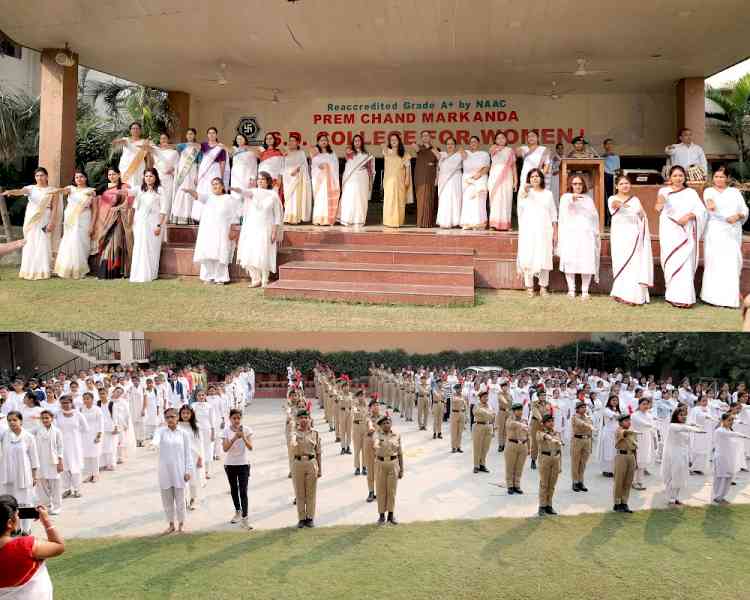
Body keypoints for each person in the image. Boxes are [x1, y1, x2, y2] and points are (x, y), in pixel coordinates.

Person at [656, 165, 707, 307]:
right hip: (670, 231)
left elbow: (701, 210)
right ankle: (671, 295)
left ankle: (685, 298)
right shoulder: (664, 191)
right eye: (675, 175)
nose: (678, 178)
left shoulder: (691, 192)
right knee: (671, 262)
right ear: (670, 177)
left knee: (684, 264)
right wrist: (659, 204)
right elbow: (659, 203)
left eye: (680, 175)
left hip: (686, 231)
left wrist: (689, 216)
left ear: (684, 177)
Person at [1, 167, 61, 280]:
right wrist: (11, 192)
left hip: (45, 217)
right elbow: (20, 191)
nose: (39, 178)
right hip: (31, 219)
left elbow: (55, 208)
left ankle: (42, 270)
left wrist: (52, 222)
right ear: (35, 177)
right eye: (37, 176)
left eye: (42, 175)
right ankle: (28, 270)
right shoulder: (31, 188)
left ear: (47, 176)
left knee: (43, 241)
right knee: (30, 242)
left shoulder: (53, 190)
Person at [701, 166, 748, 308]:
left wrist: (737, 216)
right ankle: (712, 298)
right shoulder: (709, 191)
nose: (718, 179)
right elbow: (709, 203)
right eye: (716, 176)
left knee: (732, 262)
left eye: (721, 177)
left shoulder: (735, 192)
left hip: (732, 231)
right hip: (716, 230)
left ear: (727, 178)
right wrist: (712, 206)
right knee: (715, 261)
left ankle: (729, 299)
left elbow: (744, 209)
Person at [0, 496, 65, 598]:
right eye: (17, 515)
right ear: (9, 523)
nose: (18, 518)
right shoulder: (25, 546)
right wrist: (46, 521)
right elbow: (59, 546)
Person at [608, 175, 653, 305]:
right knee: (621, 261)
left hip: (635, 235)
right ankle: (621, 293)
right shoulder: (612, 198)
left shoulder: (635, 199)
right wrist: (626, 206)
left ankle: (635, 295)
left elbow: (643, 215)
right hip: (619, 235)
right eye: (621, 184)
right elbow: (615, 205)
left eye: (627, 183)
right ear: (617, 186)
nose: (624, 186)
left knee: (635, 264)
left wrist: (641, 218)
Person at [186, 178, 241, 285]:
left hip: (222, 230)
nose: (215, 186)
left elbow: (234, 215)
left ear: (222, 186)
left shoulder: (229, 198)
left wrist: (233, 229)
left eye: (217, 184)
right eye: (213, 184)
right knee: (208, 253)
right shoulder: (209, 197)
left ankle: (220, 278)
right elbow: (197, 195)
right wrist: (189, 191)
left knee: (220, 253)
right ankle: (208, 276)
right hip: (208, 231)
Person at [237, 171, 283, 288]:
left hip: (266, 228)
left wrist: (274, 231)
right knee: (250, 252)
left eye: (263, 179)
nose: (260, 181)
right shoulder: (252, 192)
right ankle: (255, 279)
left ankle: (264, 279)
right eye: (259, 179)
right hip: (251, 227)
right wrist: (235, 189)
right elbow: (243, 192)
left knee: (263, 253)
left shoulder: (273, 195)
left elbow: (277, 216)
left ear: (268, 181)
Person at [557, 175, 600, 299]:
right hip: (570, 235)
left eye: (580, 184)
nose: (577, 186)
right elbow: (566, 205)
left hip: (586, 235)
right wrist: (573, 198)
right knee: (570, 261)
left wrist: (594, 231)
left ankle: (585, 291)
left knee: (586, 262)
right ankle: (571, 290)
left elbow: (594, 216)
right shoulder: (566, 197)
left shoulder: (588, 199)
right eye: (575, 184)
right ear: (571, 185)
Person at [516, 168, 557, 297]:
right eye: (532, 176)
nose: (535, 178)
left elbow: (553, 214)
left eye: (537, 176)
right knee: (528, 256)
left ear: (541, 179)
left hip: (544, 230)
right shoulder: (524, 192)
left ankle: (543, 287)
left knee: (544, 256)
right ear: (529, 179)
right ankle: (529, 287)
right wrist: (524, 191)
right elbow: (520, 211)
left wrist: (555, 231)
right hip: (528, 230)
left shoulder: (548, 194)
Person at [152, 408, 193, 534]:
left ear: (177, 418)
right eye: (167, 417)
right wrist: (153, 443)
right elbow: (156, 440)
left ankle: (181, 524)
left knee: (180, 500)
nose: (170, 419)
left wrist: (188, 470)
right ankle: (171, 524)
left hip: (180, 471)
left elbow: (188, 453)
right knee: (167, 500)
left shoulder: (184, 433)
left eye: (172, 417)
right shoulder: (161, 431)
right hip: (165, 471)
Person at [53, 171, 97, 279]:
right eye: (77, 177)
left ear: (86, 178)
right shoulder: (71, 189)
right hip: (70, 219)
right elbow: (63, 191)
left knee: (81, 242)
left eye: (81, 176)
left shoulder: (91, 191)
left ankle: (79, 270)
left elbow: (95, 210)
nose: (79, 179)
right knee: (69, 241)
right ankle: (66, 269)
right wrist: (55, 190)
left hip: (84, 219)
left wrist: (92, 225)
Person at [0, 412, 39, 534]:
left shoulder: (28, 436)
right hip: (8, 475)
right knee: (9, 504)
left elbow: (34, 458)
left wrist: (34, 475)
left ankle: (26, 529)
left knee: (25, 502)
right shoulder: (4, 435)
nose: (12, 422)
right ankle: (14, 528)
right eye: (9, 420)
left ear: (21, 421)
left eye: (14, 420)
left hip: (23, 475)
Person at [129, 168, 168, 283]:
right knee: (139, 248)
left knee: (151, 249)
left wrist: (159, 225)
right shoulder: (140, 190)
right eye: (146, 176)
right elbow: (127, 192)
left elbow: (163, 210)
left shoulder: (160, 190)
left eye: (151, 176)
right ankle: (138, 274)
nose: (148, 178)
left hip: (153, 223)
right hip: (140, 223)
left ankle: (150, 274)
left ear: (155, 177)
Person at [660, 406, 705, 505]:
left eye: (685, 415)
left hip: (683, 453)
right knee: (673, 475)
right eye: (681, 415)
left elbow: (686, 439)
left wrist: (695, 426)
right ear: (676, 416)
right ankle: (671, 498)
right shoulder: (673, 425)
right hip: (673, 454)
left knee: (681, 475)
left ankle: (676, 497)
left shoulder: (684, 425)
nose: (684, 416)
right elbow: (684, 427)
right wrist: (696, 429)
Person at [94, 167, 133, 279]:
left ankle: (114, 271)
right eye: (109, 175)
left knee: (115, 243)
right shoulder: (104, 188)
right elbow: (99, 201)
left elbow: (129, 203)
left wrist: (118, 208)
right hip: (105, 220)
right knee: (106, 243)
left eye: (114, 174)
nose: (111, 176)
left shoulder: (125, 187)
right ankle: (106, 271)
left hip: (118, 220)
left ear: (119, 174)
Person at [289, 409, 321, 528]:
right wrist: (293, 443)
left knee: (311, 492)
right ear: (297, 420)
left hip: (311, 462)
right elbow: (292, 442)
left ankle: (310, 517)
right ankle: (301, 518)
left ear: (309, 419)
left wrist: (320, 469)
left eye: (306, 417)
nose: (304, 420)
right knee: (299, 492)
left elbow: (318, 452)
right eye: (301, 418)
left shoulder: (315, 433)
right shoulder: (294, 433)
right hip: (298, 463)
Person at [222, 408, 253, 529]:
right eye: (234, 418)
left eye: (238, 418)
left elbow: (250, 447)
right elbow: (225, 448)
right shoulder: (225, 431)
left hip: (243, 464)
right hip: (230, 464)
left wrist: (243, 437)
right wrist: (235, 437)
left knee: (243, 491)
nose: (236, 420)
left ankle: (245, 518)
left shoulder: (247, 430)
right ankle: (238, 511)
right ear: (230, 419)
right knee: (234, 489)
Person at [193, 127, 229, 222]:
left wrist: (220, 177)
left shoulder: (220, 147)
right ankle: (200, 216)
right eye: (209, 133)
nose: (211, 135)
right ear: (207, 135)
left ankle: (213, 214)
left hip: (215, 170)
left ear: (216, 135)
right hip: (203, 172)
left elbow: (222, 162)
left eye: (213, 133)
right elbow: (200, 160)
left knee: (213, 190)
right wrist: (197, 175)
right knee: (202, 190)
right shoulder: (203, 145)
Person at [713, 412, 750, 504]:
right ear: (723, 420)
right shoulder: (720, 430)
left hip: (729, 457)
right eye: (729, 420)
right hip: (721, 457)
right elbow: (732, 435)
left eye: (732, 420)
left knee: (729, 478)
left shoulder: (729, 430)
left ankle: (722, 496)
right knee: (722, 478)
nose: (731, 422)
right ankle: (717, 497)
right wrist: (743, 435)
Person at [56, 396, 88, 499]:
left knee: (76, 468)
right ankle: (67, 489)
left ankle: (77, 489)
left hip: (75, 445)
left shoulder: (78, 414)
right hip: (61, 445)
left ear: (71, 403)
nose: (65, 405)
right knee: (64, 468)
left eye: (67, 402)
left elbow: (86, 428)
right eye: (63, 403)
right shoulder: (57, 415)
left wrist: (76, 435)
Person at [339, 134, 374, 227]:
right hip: (350, 181)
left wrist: (370, 182)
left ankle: (359, 220)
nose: (357, 142)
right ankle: (347, 220)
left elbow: (370, 170)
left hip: (362, 180)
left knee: (360, 200)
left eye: (359, 140)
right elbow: (348, 155)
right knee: (349, 199)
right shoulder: (350, 153)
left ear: (361, 142)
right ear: (353, 143)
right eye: (355, 141)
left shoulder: (367, 155)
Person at [373, 415, 403, 525]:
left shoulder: (397, 435)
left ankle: (391, 515)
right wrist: (376, 446)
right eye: (384, 423)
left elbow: (400, 452)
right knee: (381, 490)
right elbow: (375, 443)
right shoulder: (377, 434)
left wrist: (402, 469)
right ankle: (381, 516)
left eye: (388, 422)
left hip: (393, 463)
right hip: (380, 463)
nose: (386, 425)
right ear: (380, 425)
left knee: (392, 491)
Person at [34, 411, 64, 515]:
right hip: (41, 461)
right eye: (43, 418)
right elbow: (25, 432)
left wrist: (60, 461)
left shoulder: (57, 431)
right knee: (42, 485)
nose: (45, 420)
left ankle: (57, 506)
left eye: (47, 418)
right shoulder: (37, 430)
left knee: (55, 485)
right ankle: (46, 505)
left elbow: (60, 447)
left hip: (53, 461)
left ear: (52, 418)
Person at [171, 128, 201, 224]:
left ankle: (191, 215)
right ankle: (179, 216)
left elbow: (199, 163)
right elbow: (173, 151)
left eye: (191, 134)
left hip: (192, 171)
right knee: (181, 190)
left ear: (195, 135)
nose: (189, 136)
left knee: (190, 189)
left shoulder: (198, 147)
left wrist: (198, 175)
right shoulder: (181, 146)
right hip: (182, 172)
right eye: (188, 134)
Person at [459, 136, 490, 230]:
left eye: (475, 142)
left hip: (480, 178)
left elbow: (487, 167)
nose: (473, 143)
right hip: (467, 179)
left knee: (478, 202)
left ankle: (479, 223)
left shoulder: (484, 154)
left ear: (479, 143)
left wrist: (479, 175)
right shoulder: (466, 153)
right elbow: (462, 155)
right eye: (471, 142)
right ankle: (467, 223)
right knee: (468, 201)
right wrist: (461, 149)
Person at [487, 132, 517, 230]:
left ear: (506, 140)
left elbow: (513, 166)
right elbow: (491, 150)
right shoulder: (493, 148)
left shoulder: (510, 151)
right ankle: (493, 224)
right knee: (495, 199)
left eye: (503, 138)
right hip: (495, 176)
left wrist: (515, 180)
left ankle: (506, 224)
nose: (500, 140)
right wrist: (497, 147)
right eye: (498, 138)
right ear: (495, 140)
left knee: (506, 199)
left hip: (507, 176)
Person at [382, 133, 412, 227]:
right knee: (389, 201)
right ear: (390, 142)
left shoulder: (404, 154)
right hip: (389, 181)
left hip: (400, 181)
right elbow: (382, 146)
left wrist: (407, 179)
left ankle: (398, 221)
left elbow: (407, 167)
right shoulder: (386, 151)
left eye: (395, 139)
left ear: (399, 141)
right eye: (392, 140)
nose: (394, 141)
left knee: (399, 201)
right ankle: (388, 221)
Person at [177, 405, 204, 511]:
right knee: (182, 480)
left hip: (193, 456)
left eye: (187, 413)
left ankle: (193, 499)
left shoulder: (196, 426)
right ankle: (184, 500)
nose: (185, 415)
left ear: (191, 414)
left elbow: (199, 443)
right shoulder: (177, 426)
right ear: (180, 414)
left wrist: (200, 458)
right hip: (180, 456)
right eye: (183, 413)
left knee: (193, 479)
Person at [310, 134, 341, 226]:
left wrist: (327, 166)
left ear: (328, 142)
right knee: (320, 199)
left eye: (325, 140)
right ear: (318, 142)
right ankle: (318, 219)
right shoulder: (315, 154)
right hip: (320, 182)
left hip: (330, 181)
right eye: (321, 140)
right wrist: (320, 167)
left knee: (327, 200)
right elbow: (314, 166)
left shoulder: (332, 154)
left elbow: (335, 167)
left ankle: (328, 219)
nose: (323, 142)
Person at [411, 131, 440, 227]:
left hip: (431, 176)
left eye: (427, 135)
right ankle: (420, 222)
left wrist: (437, 177)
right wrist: (417, 144)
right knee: (421, 200)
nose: (425, 137)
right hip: (420, 176)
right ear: (421, 138)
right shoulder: (420, 148)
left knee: (429, 199)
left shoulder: (435, 149)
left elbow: (439, 157)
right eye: (423, 136)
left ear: (430, 137)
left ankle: (428, 223)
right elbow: (414, 147)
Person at [282, 134, 312, 224]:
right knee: (288, 199)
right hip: (287, 178)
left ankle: (296, 218)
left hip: (297, 178)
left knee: (296, 198)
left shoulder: (301, 153)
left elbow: (305, 165)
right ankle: (288, 217)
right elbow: (282, 166)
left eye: (293, 141)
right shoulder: (285, 153)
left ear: (297, 143)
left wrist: (298, 169)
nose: (291, 142)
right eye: (290, 140)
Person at [537, 414, 562, 516]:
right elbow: (543, 436)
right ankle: (542, 506)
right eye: (548, 421)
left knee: (552, 485)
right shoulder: (539, 432)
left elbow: (560, 450)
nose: (551, 423)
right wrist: (549, 437)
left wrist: (560, 465)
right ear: (543, 424)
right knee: (544, 484)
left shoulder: (556, 433)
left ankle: (549, 505)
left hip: (555, 459)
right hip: (545, 459)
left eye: (552, 421)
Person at [150, 133, 180, 218]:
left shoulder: (174, 153)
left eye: (165, 138)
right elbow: (153, 165)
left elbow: (178, 166)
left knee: (167, 198)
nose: (163, 140)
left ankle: (166, 220)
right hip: (157, 178)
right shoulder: (155, 152)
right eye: (161, 139)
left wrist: (173, 170)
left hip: (168, 178)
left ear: (168, 140)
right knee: (157, 198)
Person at [613, 413, 638, 513]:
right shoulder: (619, 430)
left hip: (631, 456)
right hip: (621, 456)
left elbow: (635, 447)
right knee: (619, 481)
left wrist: (636, 461)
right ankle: (617, 503)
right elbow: (624, 433)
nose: (628, 422)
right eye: (626, 421)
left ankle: (624, 502)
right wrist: (631, 431)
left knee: (628, 481)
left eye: (629, 420)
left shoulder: (632, 432)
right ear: (620, 423)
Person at [112, 122, 149, 189]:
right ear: (130, 130)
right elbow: (115, 143)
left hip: (139, 167)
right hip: (126, 167)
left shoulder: (144, 142)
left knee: (138, 185)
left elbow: (153, 151)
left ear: (140, 130)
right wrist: (118, 141)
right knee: (126, 186)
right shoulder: (126, 140)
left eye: (137, 128)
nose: (135, 130)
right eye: (133, 128)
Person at [436, 137, 463, 228]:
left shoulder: (459, 155)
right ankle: (445, 221)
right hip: (444, 181)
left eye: (452, 144)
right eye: (448, 144)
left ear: (455, 146)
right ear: (445, 145)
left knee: (455, 199)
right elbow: (438, 169)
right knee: (445, 199)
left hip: (455, 179)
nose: (450, 146)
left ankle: (455, 221)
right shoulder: (442, 155)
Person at [504, 403, 529, 495]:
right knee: (510, 466)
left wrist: (529, 447)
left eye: (521, 410)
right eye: (518, 410)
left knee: (519, 467)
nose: (520, 412)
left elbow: (528, 434)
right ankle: (510, 485)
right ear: (513, 412)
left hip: (523, 446)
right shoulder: (510, 420)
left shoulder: (524, 420)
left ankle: (517, 485)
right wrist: (520, 424)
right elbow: (511, 425)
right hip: (512, 445)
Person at [80, 392, 103, 484]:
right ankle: (89, 475)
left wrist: (98, 435)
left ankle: (96, 475)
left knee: (94, 455)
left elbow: (101, 423)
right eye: (84, 398)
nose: (86, 400)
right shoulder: (81, 409)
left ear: (92, 399)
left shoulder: (97, 409)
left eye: (88, 398)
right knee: (86, 456)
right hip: (84, 435)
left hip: (94, 434)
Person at [570, 401, 593, 492]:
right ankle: (575, 481)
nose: (584, 409)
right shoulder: (575, 417)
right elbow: (580, 423)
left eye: (585, 407)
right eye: (582, 407)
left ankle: (581, 481)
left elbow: (590, 429)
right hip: (577, 440)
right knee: (575, 462)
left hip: (587, 440)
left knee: (583, 463)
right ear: (577, 409)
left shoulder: (588, 417)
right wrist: (587, 425)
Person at [472, 391, 494, 474]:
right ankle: (476, 465)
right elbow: (477, 412)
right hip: (479, 426)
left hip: (488, 427)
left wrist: (486, 413)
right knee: (477, 447)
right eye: (484, 397)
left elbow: (493, 415)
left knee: (486, 447)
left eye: (487, 397)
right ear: (480, 398)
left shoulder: (489, 405)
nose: (486, 398)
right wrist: (487, 413)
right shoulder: (477, 405)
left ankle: (482, 464)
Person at [597, 395, 620, 477]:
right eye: (613, 400)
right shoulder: (606, 410)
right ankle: (606, 470)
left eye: (616, 400)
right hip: (608, 433)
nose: (615, 402)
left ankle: (613, 469)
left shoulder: (618, 410)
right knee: (607, 451)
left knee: (614, 451)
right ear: (609, 401)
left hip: (616, 433)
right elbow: (615, 416)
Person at [449, 386, 466, 453]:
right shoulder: (453, 395)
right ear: (456, 389)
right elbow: (455, 400)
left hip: (462, 413)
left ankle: (458, 446)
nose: (460, 390)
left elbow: (465, 405)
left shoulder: (463, 396)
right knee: (454, 432)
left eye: (460, 388)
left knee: (460, 432)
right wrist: (461, 399)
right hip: (455, 413)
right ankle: (453, 447)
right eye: (458, 389)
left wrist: (466, 416)